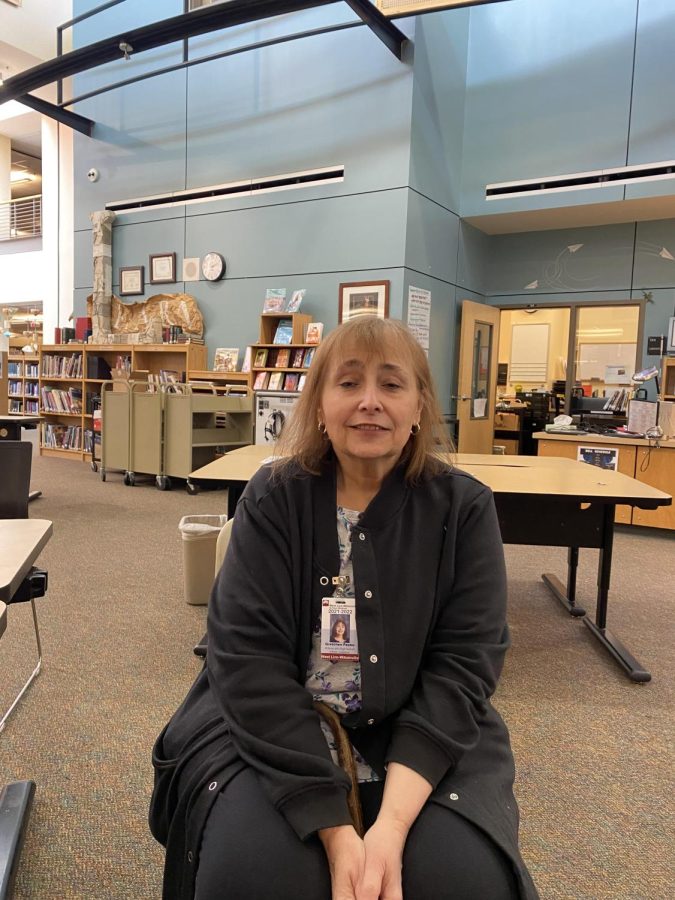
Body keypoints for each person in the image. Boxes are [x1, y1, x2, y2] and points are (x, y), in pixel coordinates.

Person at [149, 316, 539, 900]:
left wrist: (392, 827)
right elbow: (247, 662)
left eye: (392, 384)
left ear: (419, 405)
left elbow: (463, 666)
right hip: (274, 724)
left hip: (415, 723)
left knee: (462, 878)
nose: (370, 403)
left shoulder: (464, 509)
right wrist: (336, 832)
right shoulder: (272, 498)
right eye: (349, 383)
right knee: (252, 875)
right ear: (321, 404)